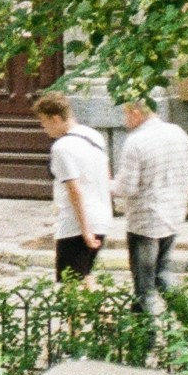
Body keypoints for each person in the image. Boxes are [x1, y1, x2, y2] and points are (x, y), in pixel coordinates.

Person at [110, 97, 188, 316]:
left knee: (144, 285)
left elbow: (126, 188)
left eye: (125, 113)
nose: (124, 119)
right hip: (173, 214)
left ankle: (144, 342)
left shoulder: (136, 142)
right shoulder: (178, 133)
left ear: (136, 114)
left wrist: (104, 184)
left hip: (145, 222)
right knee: (162, 273)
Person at [33, 90, 114, 280]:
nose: (43, 127)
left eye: (43, 121)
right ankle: (103, 311)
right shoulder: (94, 136)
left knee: (70, 285)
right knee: (85, 278)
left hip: (75, 224)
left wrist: (84, 230)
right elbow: (107, 175)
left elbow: (74, 190)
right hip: (101, 217)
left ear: (54, 118)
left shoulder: (62, 148)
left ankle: (101, 310)